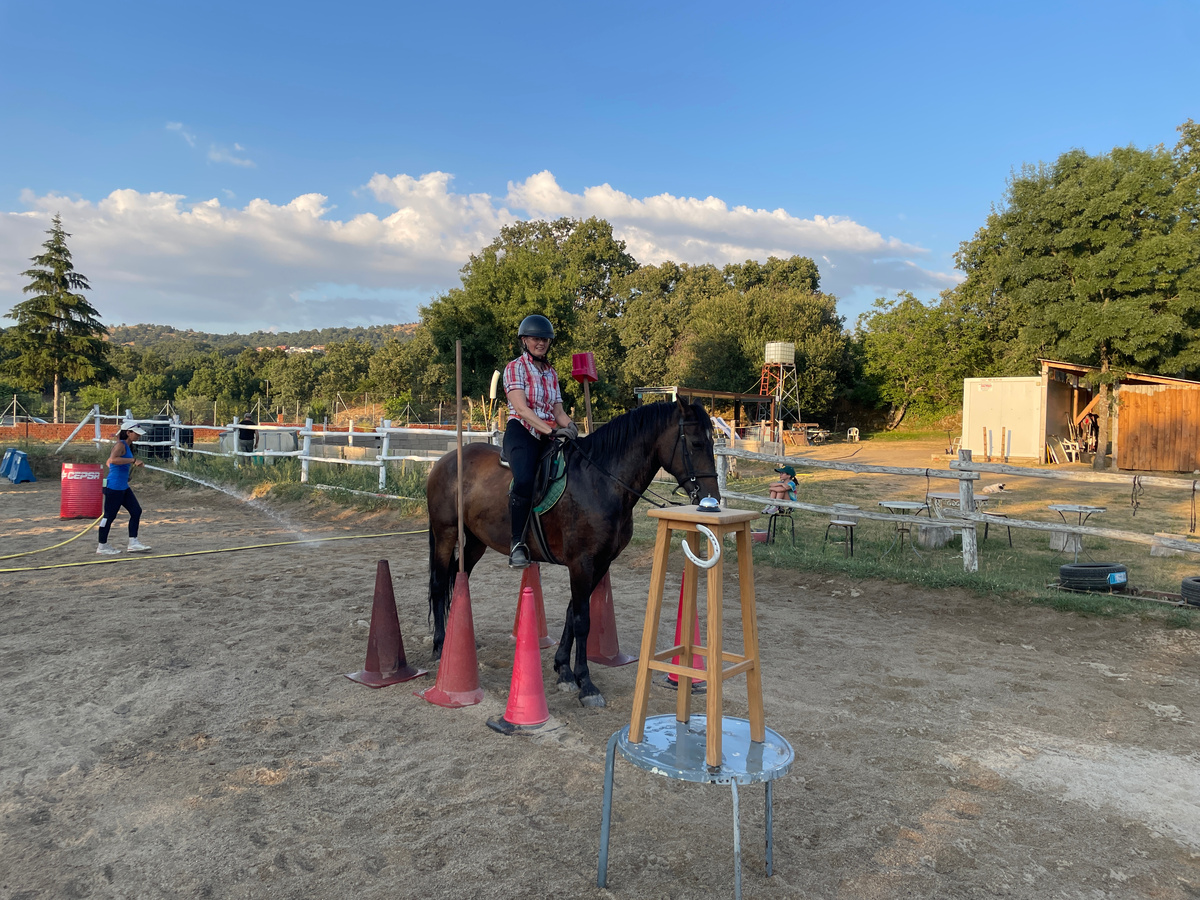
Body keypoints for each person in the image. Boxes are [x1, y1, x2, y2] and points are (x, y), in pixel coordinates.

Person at [503, 314, 578, 568]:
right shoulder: (515, 368)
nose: (541, 343)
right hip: (522, 431)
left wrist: (571, 426)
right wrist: (551, 431)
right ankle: (516, 544)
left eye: (545, 339)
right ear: (525, 340)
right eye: (536, 338)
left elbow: (558, 411)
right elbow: (522, 409)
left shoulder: (551, 373)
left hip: (549, 432)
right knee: (524, 479)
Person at [97, 420, 152, 555]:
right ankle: (102, 546)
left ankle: (133, 543)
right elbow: (113, 459)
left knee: (136, 511)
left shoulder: (128, 446)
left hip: (123, 486)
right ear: (128, 432)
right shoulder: (120, 445)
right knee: (109, 517)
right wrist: (132, 461)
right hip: (114, 487)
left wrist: (123, 474)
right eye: (136, 434)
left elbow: (110, 463)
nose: (138, 436)